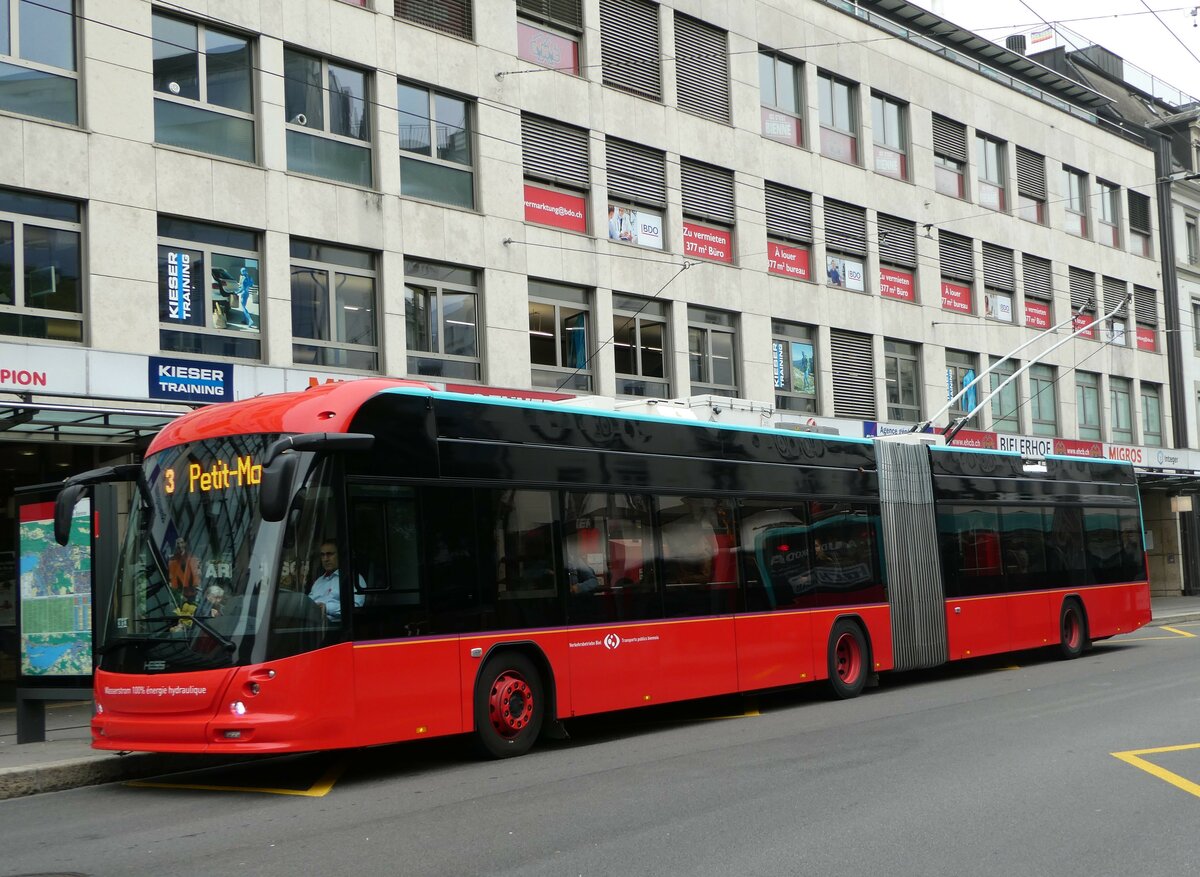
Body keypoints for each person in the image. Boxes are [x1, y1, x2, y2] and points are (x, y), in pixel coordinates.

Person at [308, 540, 365, 622]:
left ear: (340, 555)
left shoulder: (353, 578)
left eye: (330, 554)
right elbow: (309, 603)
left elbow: (356, 607)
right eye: (322, 555)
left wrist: (327, 607)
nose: (325, 559)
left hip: (337, 628)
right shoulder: (319, 581)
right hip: (313, 626)